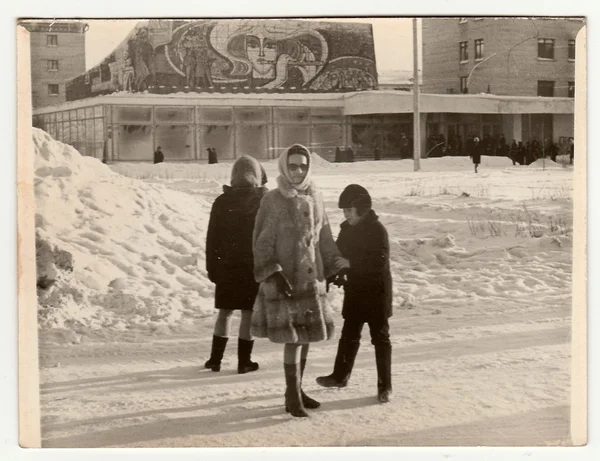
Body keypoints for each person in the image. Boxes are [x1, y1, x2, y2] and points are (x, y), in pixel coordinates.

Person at [251, 144, 342, 418]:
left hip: (311, 280)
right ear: (283, 166)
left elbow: (324, 235)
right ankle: (291, 396)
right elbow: (261, 242)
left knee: (306, 337)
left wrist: (334, 264)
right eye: (293, 166)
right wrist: (273, 273)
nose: (298, 170)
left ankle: (299, 389)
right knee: (293, 338)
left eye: (303, 165)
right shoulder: (274, 200)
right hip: (286, 281)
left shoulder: (316, 195)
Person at [316, 185, 393, 404]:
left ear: (362, 208)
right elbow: (338, 256)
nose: (346, 214)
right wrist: (332, 276)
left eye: (350, 210)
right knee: (349, 335)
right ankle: (339, 376)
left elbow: (379, 261)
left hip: (377, 293)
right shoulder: (347, 229)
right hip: (356, 291)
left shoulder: (377, 229)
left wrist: (352, 263)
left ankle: (385, 386)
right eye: (344, 210)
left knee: (380, 339)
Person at [205, 155, 268, 373]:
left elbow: (212, 238)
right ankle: (244, 361)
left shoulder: (222, 202)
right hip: (251, 267)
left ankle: (215, 360)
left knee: (225, 312)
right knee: (248, 313)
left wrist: (212, 268)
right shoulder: (262, 202)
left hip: (225, 267)